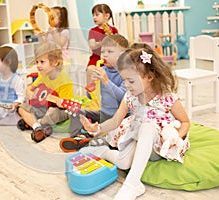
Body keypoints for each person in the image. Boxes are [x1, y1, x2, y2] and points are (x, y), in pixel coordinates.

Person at [79, 43, 191, 200]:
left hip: (159, 144)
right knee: (123, 164)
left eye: (131, 81)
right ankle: (103, 151)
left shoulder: (167, 97)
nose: (126, 85)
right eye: (124, 80)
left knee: (147, 126)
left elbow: (185, 121)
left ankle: (132, 184)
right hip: (136, 137)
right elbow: (116, 120)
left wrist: (177, 136)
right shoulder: (130, 96)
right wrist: (96, 128)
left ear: (150, 77)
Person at [59, 34, 129, 152]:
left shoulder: (126, 73)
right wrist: (91, 85)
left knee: (115, 136)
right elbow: (92, 97)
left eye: (110, 51)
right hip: (103, 114)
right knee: (77, 111)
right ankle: (78, 137)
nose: (104, 55)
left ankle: (94, 139)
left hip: (120, 118)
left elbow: (123, 97)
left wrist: (106, 81)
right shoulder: (103, 70)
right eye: (103, 52)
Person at [17, 42, 73, 143]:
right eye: (37, 62)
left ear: (55, 62)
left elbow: (67, 105)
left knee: (51, 113)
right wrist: (28, 91)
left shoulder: (65, 81)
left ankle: (34, 123)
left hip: (58, 110)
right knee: (21, 108)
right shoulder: (43, 75)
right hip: (43, 107)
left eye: (42, 62)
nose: (38, 65)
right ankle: (37, 127)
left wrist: (60, 102)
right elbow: (31, 87)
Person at [86, 3, 118, 86]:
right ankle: (90, 90)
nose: (94, 17)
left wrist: (112, 38)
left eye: (97, 15)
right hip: (96, 58)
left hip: (110, 59)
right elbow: (92, 45)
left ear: (106, 16)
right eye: (93, 15)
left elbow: (118, 45)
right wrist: (103, 41)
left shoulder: (113, 30)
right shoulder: (93, 31)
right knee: (90, 69)